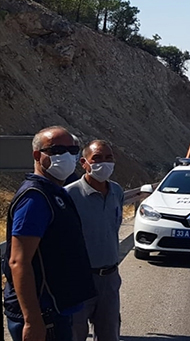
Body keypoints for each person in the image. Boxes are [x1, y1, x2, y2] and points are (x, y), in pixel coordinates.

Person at [3, 126, 96, 341]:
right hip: (44, 315)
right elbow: (18, 262)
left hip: (57, 309)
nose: (68, 156)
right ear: (38, 155)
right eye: (57, 150)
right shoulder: (34, 199)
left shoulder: (54, 193)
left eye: (73, 150)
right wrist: (32, 320)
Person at [65, 140, 123, 341]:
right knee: (75, 334)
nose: (104, 163)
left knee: (110, 334)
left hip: (109, 279)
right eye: (97, 158)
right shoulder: (69, 195)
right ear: (84, 162)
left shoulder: (117, 191)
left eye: (109, 158)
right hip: (80, 279)